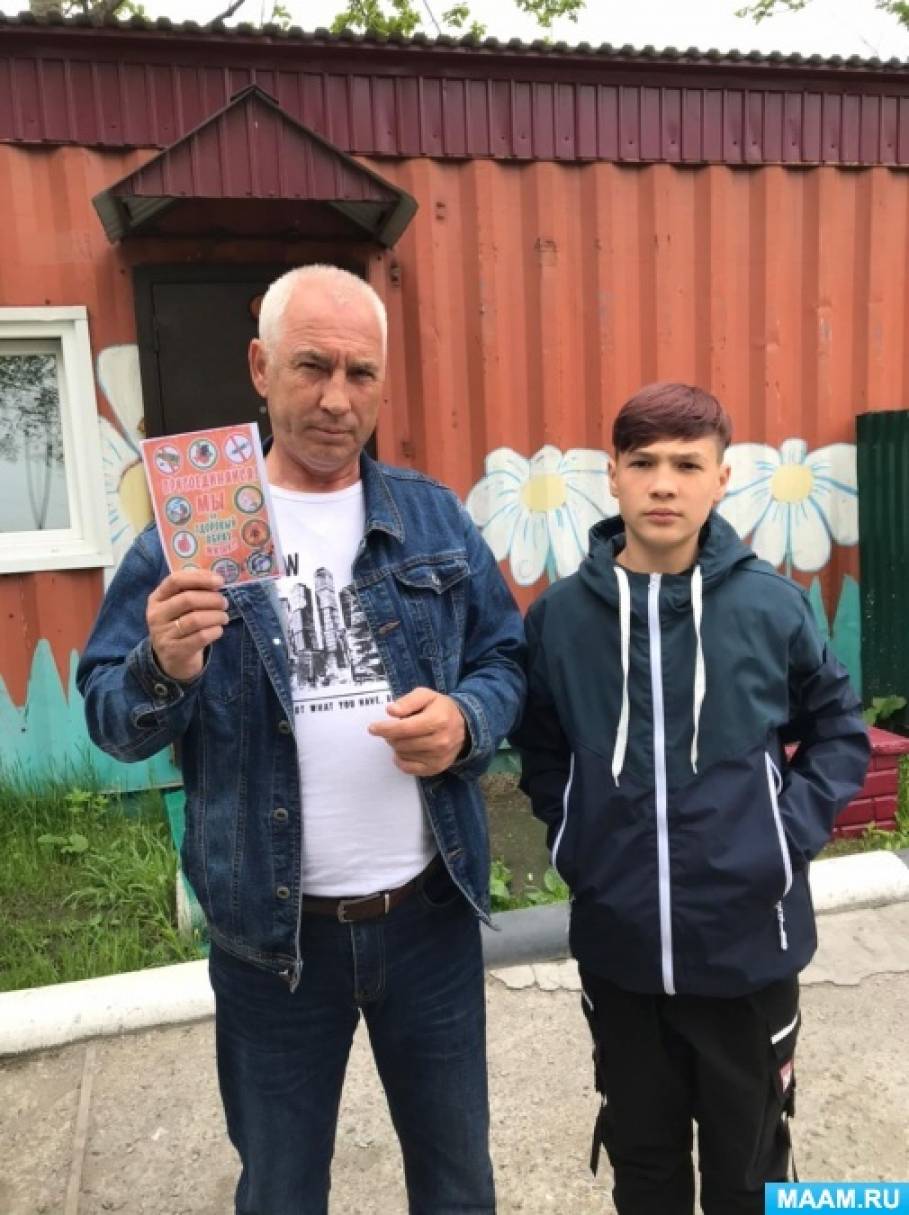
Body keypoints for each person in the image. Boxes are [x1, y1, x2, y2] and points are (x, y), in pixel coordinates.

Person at [77, 264, 525, 1215]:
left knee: (457, 1185)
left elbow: (505, 660)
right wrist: (163, 666)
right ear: (259, 367)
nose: (336, 398)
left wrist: (466, 720)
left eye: (360, 373)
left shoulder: (433, 517)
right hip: (271, 943)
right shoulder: (181, 540)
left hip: (429, 920)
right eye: (312, 366)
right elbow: (110, 721)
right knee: (280, 1191)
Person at [511, 383, 869, 1215]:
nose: (663, 484)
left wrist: (782, 837)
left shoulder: (770, 606)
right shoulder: (560, 619)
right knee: (644, 1171)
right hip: (621, 955)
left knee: (750, 1176)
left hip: (748, 953)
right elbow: (540, 748)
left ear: (721, 477)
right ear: (612, 475)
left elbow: (837, 729)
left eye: (686, 464)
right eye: (642, 463)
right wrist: (575, 841)